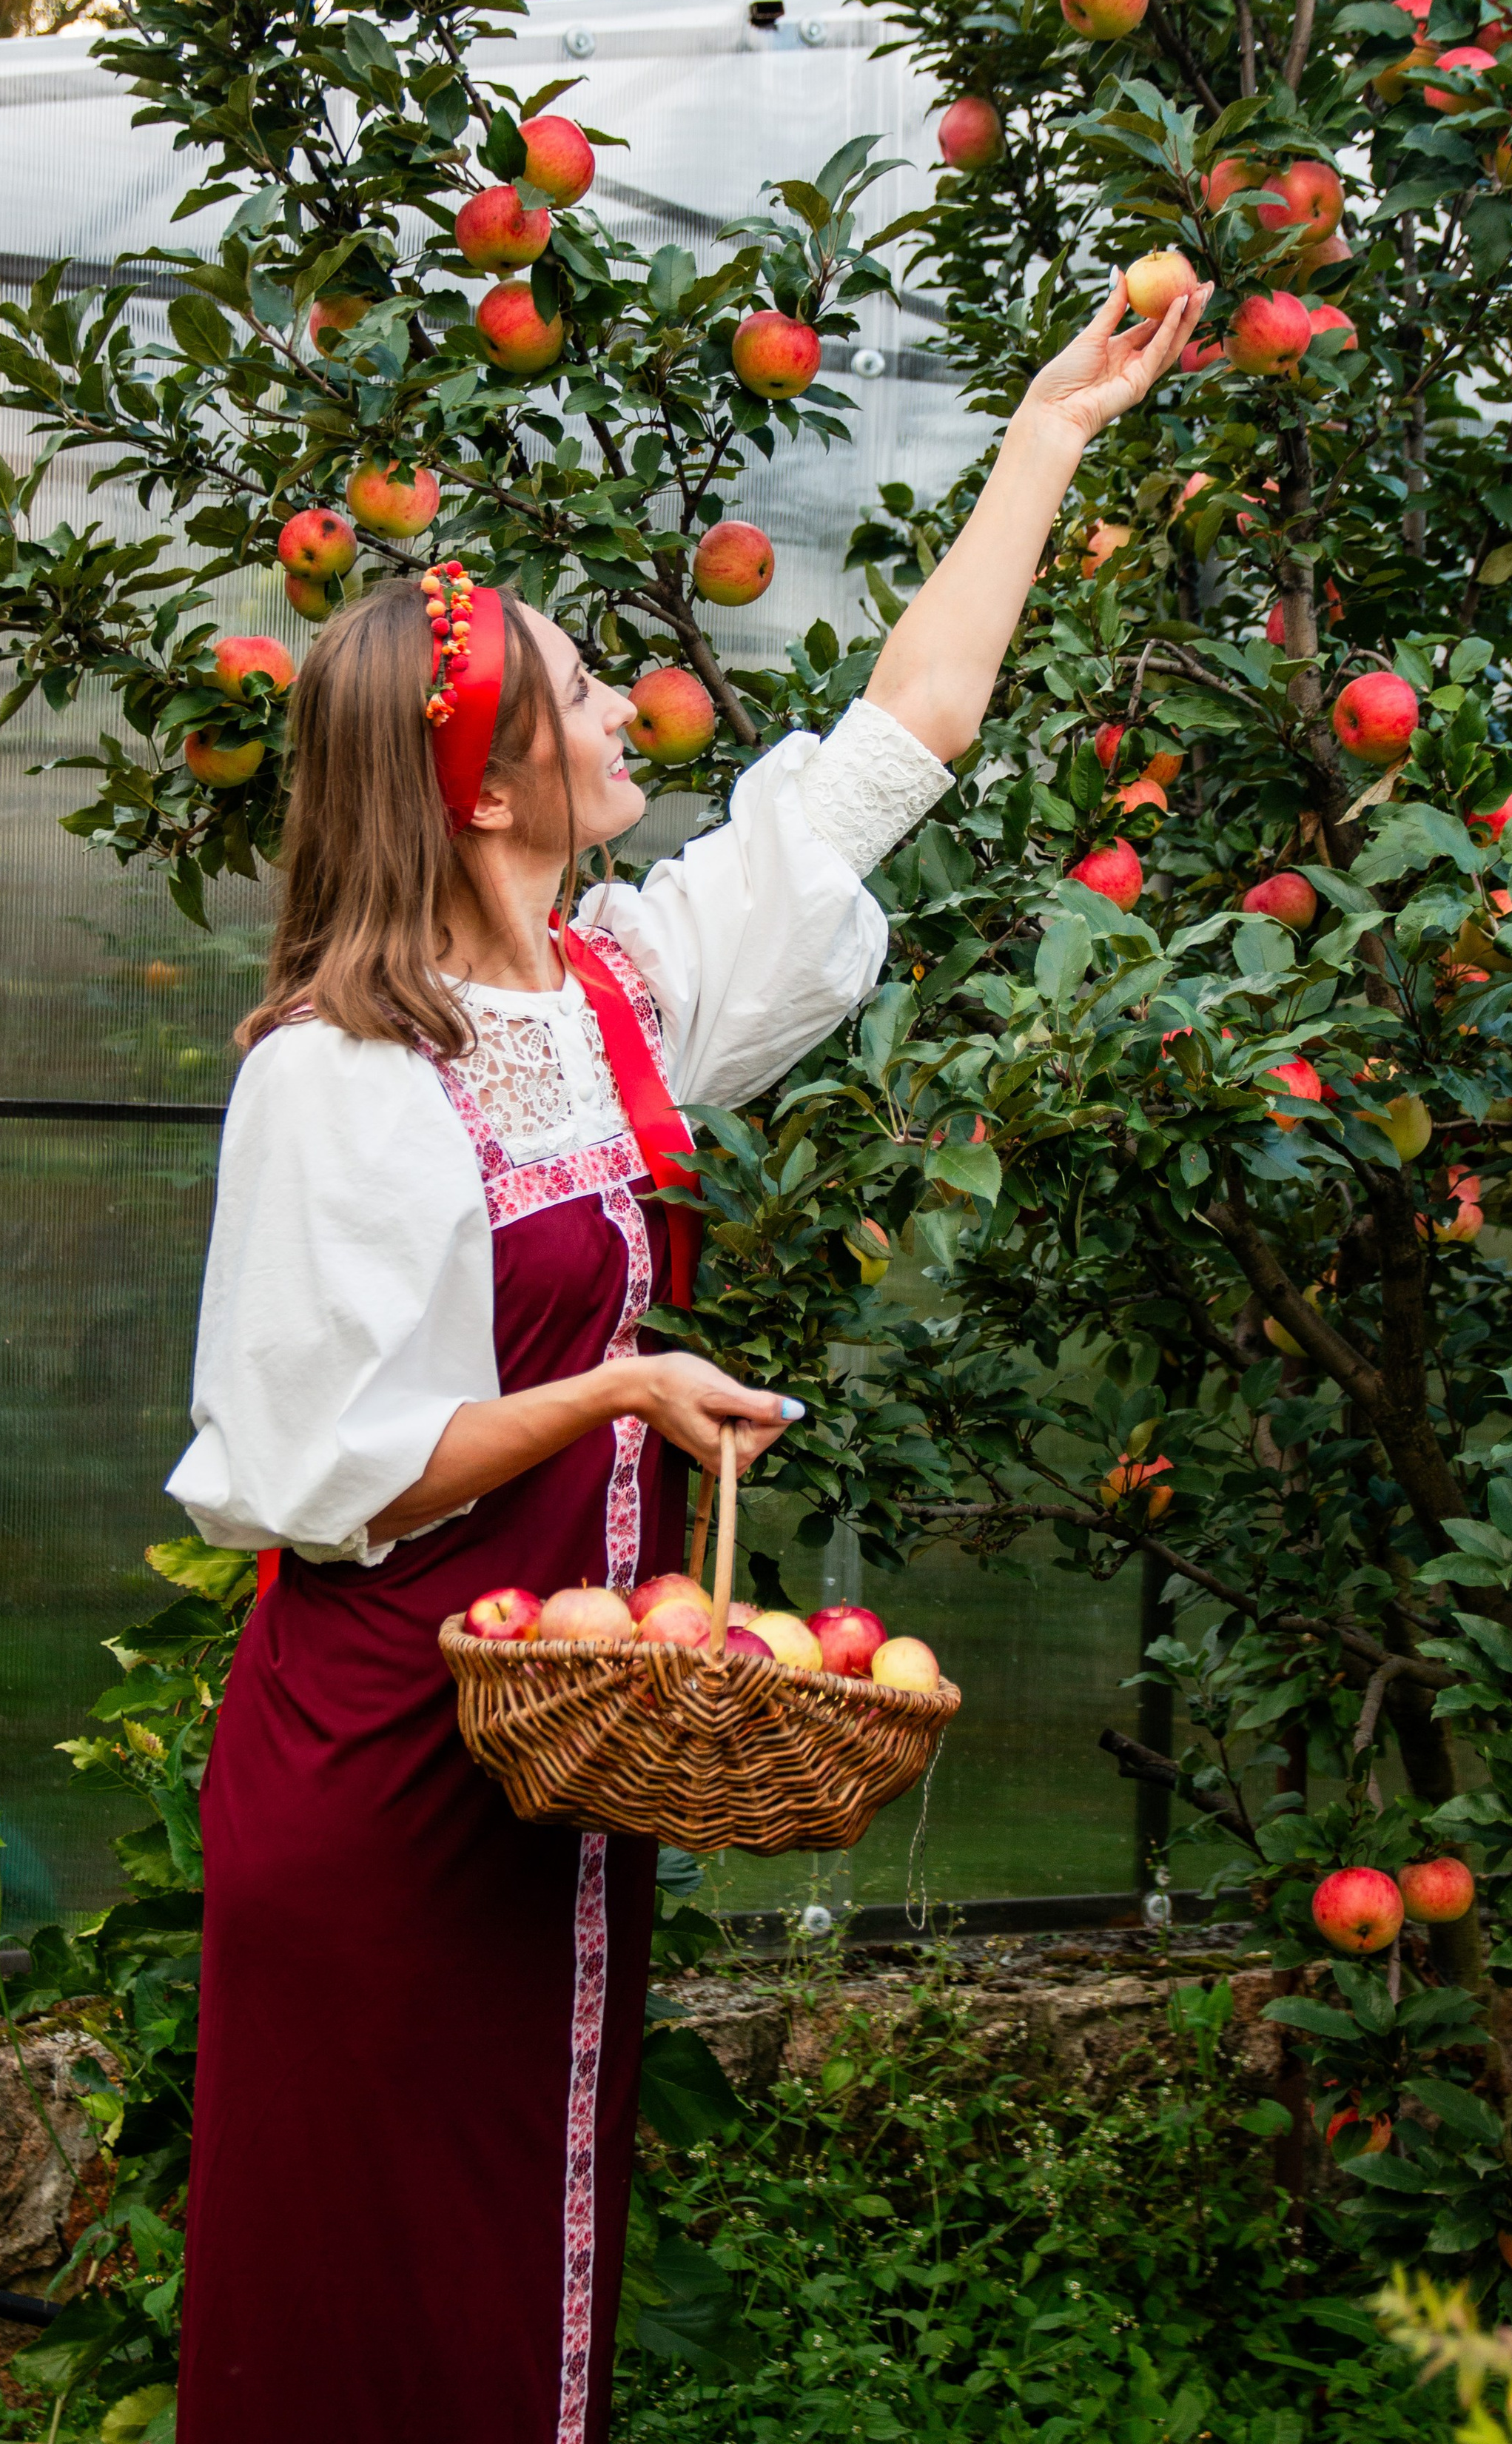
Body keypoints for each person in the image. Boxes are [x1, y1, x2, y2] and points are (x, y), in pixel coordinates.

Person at [167, 275, 1206, 2444]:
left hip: (555, 1760)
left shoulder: (615, 992)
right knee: (373, 2307)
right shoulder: (332, 1080)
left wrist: (1049, 438)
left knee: (536, 2269)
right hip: (377, 1780)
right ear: (485, 792)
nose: (633, 713)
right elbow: (328, 1466)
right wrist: (623, 1390)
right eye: (578, 697)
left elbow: (890, 755)